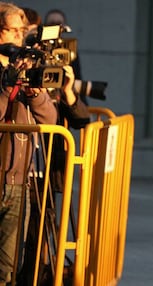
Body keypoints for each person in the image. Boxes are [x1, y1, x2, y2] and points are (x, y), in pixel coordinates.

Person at [0, 2, 57, 284]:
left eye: (23, 31)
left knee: (10, 268)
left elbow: (50, 118)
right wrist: (8, 85)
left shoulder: (25, 65)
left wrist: (34, 93)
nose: (20, 37)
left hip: (17, 182)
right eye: (13, 31)